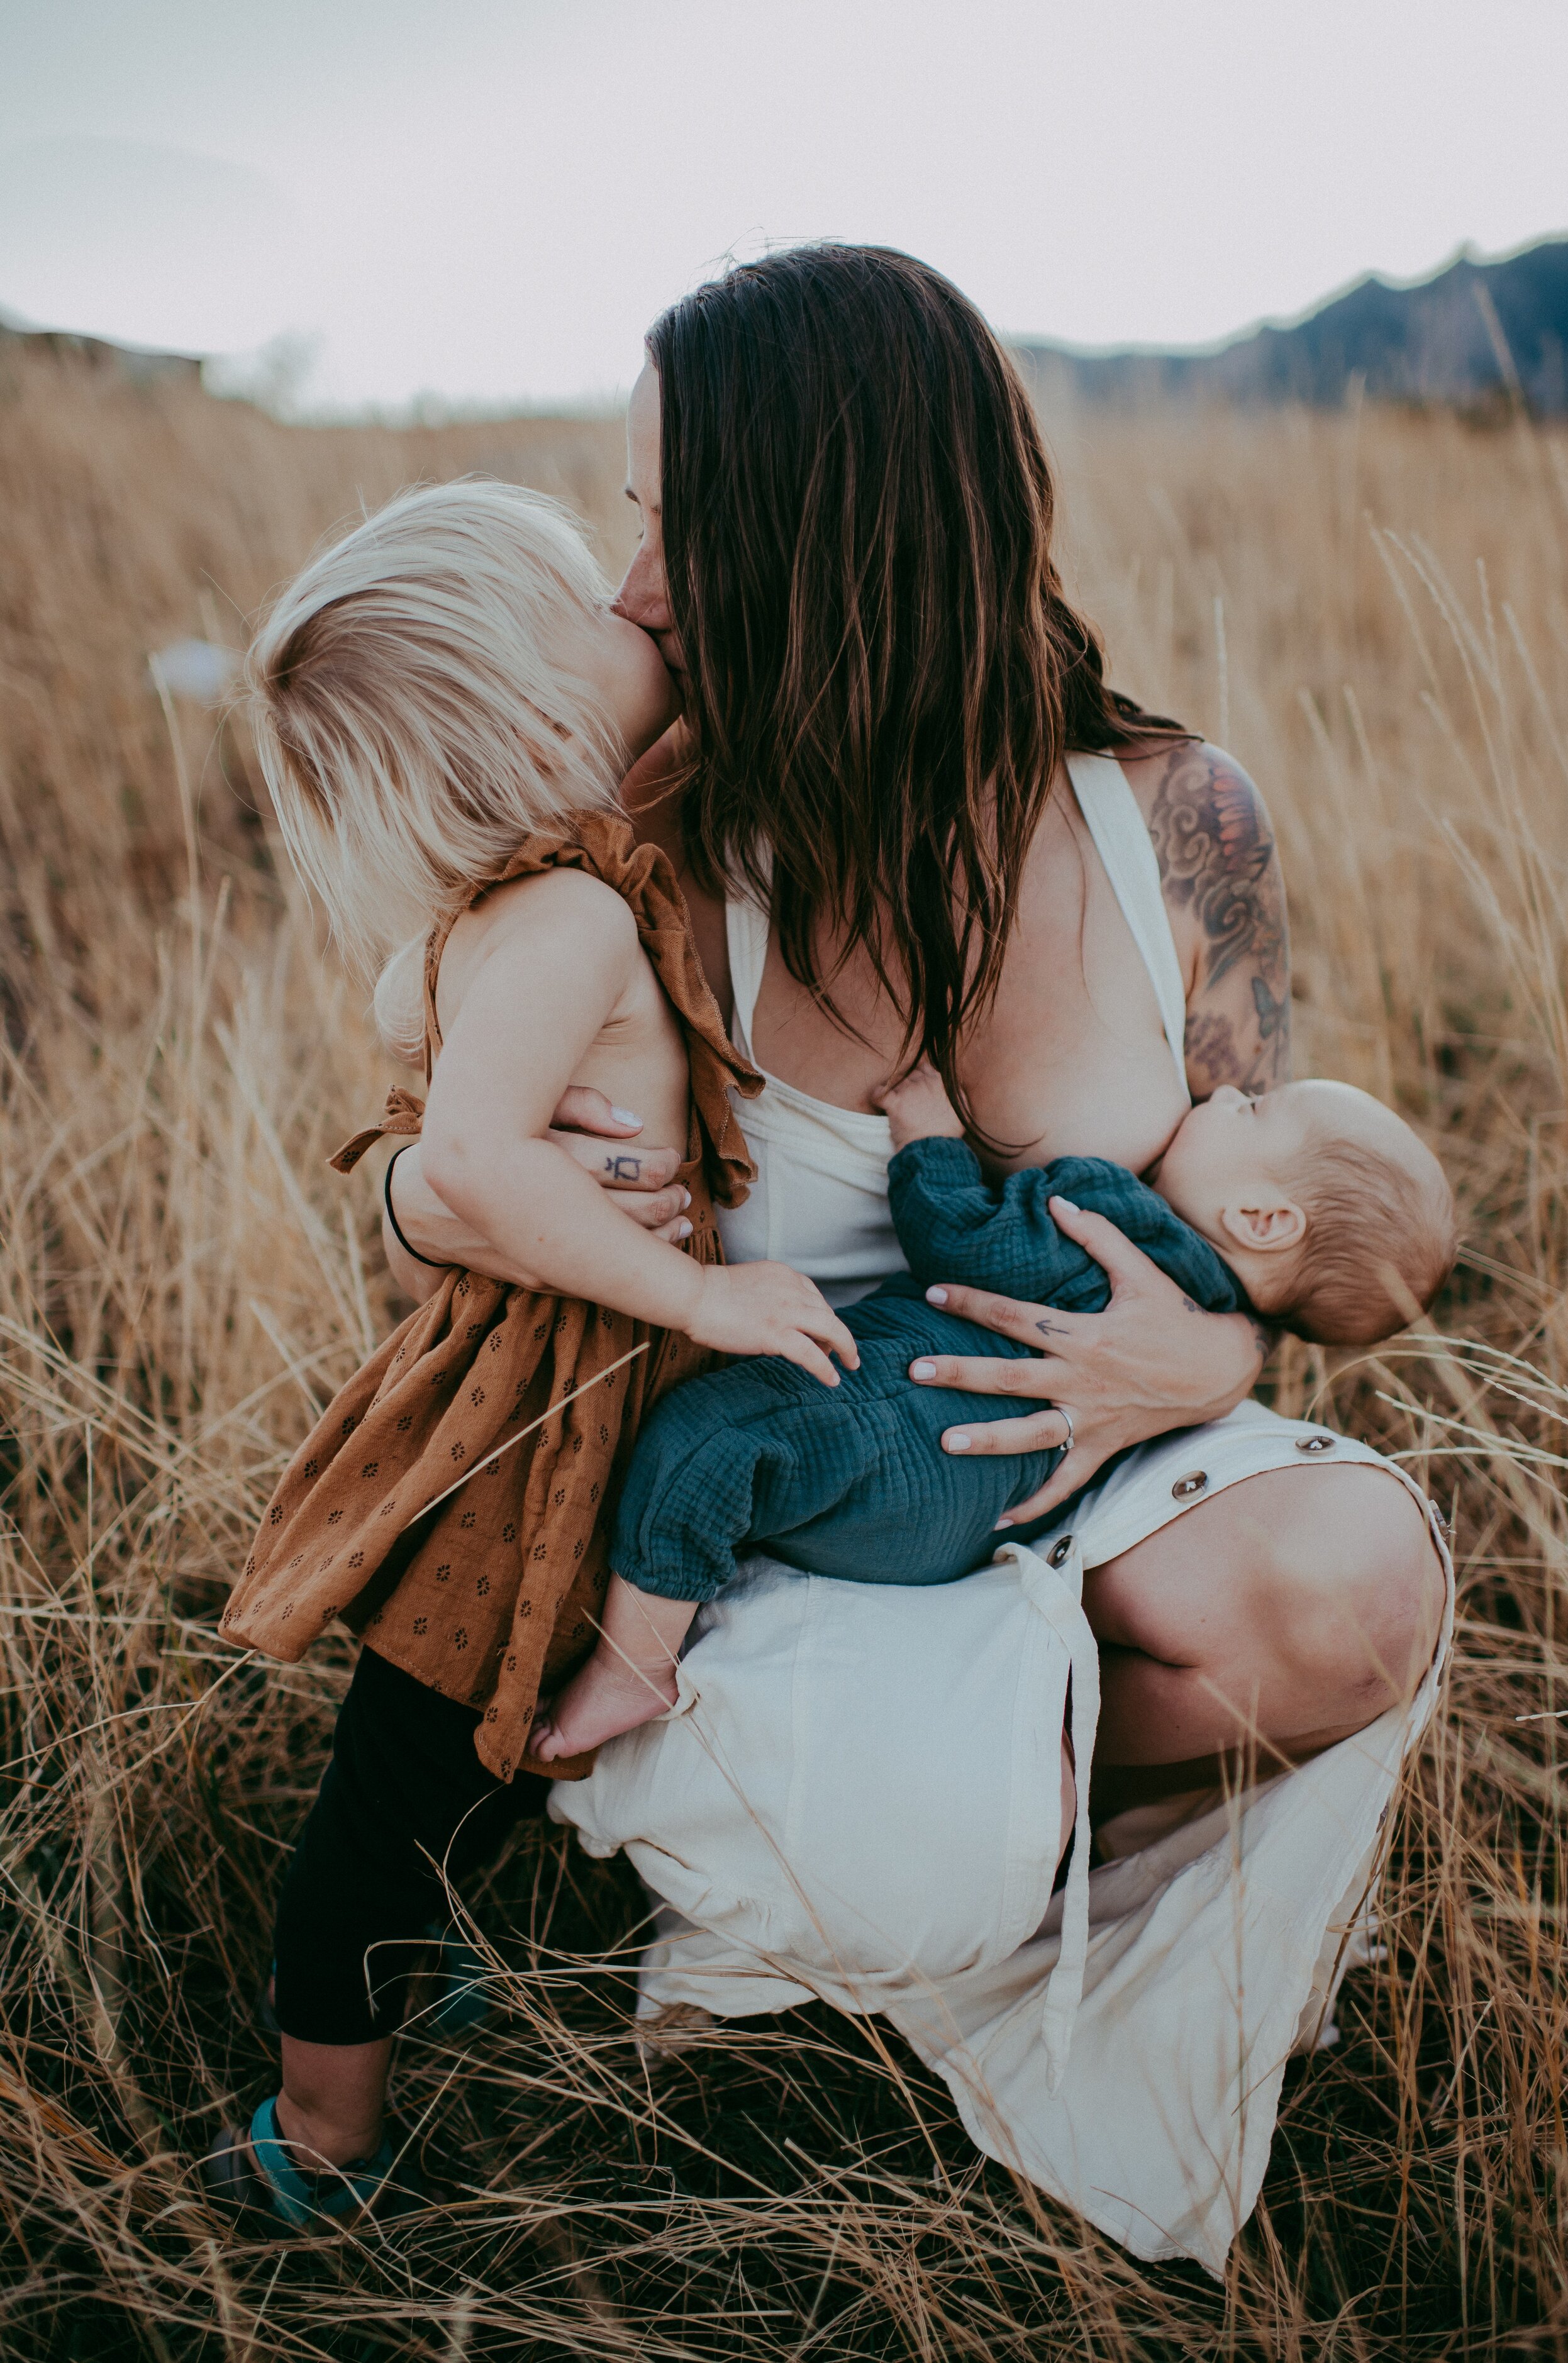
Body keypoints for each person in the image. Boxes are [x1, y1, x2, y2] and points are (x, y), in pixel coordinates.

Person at [381, 247, 1452, 2266]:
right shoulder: (652, 826)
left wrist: (1203, 1375)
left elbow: (1258, 1214)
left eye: (665, 516)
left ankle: (1006, 1814)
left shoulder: (1173, 821)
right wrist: (430, 1198)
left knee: (1350, 1585)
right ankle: (879, 1834)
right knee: (923, 1842)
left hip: (1080, 1475)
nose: (630, 582)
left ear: (821, 528)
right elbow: (423, 1149)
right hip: (759, 1515)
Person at [203, 480, 856, 2230]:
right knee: (406, 1766)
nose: (637, 604)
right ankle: (316, 2130)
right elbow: (477, 1159)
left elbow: (418, 1040)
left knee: (472, 1750)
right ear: (527, 707)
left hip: (568, 1408)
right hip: (531, 1427)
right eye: (589, 599)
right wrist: (709, 1301)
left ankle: (395, 1969)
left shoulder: (543, 897)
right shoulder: (563, 917)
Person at [531, 1069, 1456, 1760]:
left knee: (708, 1443)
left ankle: (633, 1665)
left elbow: (970, 1244)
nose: (1225, 1090)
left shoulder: (1117, 1215)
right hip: (965, 1520)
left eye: (1253, 1105)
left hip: (900, 1422)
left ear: (1261, 1217)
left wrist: (929, 1146)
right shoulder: (1201, 1314)